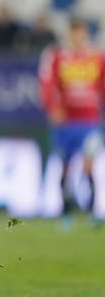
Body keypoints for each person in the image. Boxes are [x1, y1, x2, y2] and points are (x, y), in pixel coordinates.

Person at [38, 16, 105, 229]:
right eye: (74, 31)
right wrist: (51, 108)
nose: (78, 35)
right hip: (66, 121)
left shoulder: (96, 57)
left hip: (89, 121)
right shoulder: (57, 56)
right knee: (66, 168)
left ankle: (93, 211)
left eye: (81, 31)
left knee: (88, 166)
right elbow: (46, 84)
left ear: (86, 33)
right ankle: (66, 213)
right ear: (70, 33)